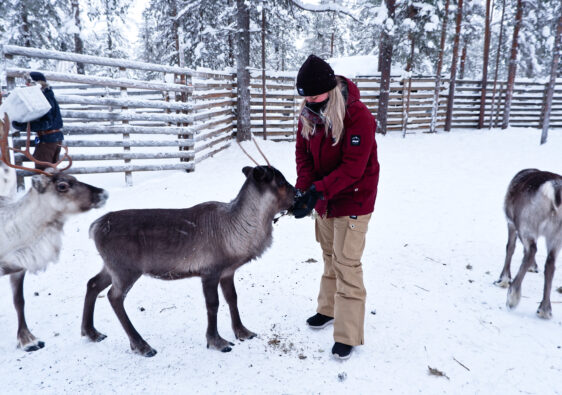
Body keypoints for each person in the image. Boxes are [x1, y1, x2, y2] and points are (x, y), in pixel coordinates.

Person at [292, 54, 380, 360]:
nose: (309, 102)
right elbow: (303, 155)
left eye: (314, 96)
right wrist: (304, 189)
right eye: (304, 97)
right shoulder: (309, 113)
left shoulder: (358, 116)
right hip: (325, 199)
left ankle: (348, 333)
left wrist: (317, 190)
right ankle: (327, 310)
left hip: (354, 199)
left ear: (329, 89)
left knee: (347, 263)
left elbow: (353, 168)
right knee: (329, 256)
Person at [12, 71, 64, 170]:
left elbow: (47, 123)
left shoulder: (44, 97)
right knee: (49, 174)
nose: (26, 85)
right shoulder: (47, 95)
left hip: (48, 140)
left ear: (37, 83)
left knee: (43, 173)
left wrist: (23, 126)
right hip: (50, 139)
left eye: (29, 82)